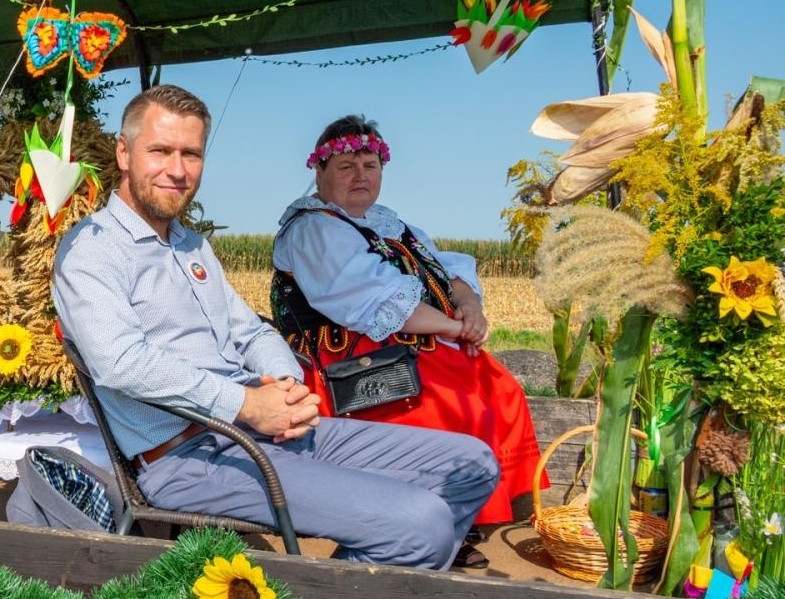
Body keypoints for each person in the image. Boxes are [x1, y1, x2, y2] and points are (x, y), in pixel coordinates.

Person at [53, 86, 497, 570]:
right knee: (422, 524)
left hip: (260, 428)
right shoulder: (92, 250)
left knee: (473, 466)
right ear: (124, 152)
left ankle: (349, 590)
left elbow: (253, 332)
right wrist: (246, 404)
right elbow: (120, 364)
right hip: (186, 456)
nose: (177, 170)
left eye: (191, 154)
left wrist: (285, 386)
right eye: (160, 151)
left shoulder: (191, 247)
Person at [270, 115, 545, 543]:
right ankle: (429, 519)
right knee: (448, 395)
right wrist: (454, 329)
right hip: (346, 368)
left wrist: (469, 307)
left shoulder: (392, 225)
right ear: (318, 171)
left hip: (406, 348)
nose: (361, 176)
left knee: (498, 384)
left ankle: (473, 510)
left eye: (371, 166)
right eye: (346, 167)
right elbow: (370, 298)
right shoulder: (314, 229)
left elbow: (446, 269)